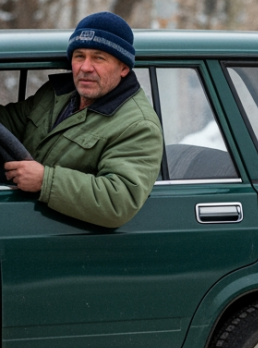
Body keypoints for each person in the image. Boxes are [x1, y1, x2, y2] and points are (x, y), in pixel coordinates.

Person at [0, 12, 163, 228]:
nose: (85, 67)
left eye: (98, 57)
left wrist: (45, 180)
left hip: (69, 243)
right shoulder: (54, 95)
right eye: (79, 56)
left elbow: (119, 201)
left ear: (123, 68)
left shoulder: (139, 125)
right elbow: (8, 124)